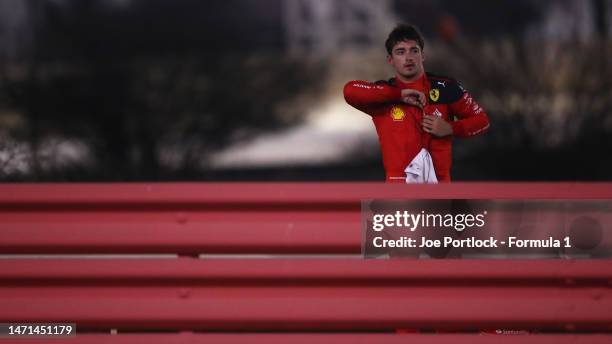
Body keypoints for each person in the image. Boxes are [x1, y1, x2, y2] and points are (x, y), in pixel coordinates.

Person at [343, 24, 489, 183]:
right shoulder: (384, 95)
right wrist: (398, 95)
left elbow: (482, 121)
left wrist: (450, 128)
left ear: (423, 55)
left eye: (414, 50)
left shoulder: (446, 88)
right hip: (399, 193)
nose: (408, 57)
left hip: (440, 190)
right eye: (400, 52)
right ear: (390, 60)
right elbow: (350, 91)